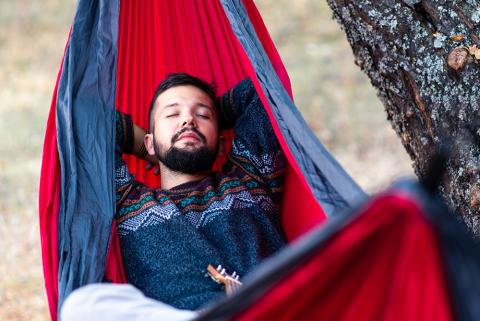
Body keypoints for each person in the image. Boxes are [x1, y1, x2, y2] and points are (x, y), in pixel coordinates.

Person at [61, 73, 287, 320]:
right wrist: (154, 149)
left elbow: (264, 86)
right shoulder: (128, 202)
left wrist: (205, 115)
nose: (188, 119)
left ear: (222, 143)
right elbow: (81, 115)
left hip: (269, 308)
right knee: (83, 305)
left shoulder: (250, 177)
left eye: (202, 115)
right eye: (172, 115)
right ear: (149, 143)